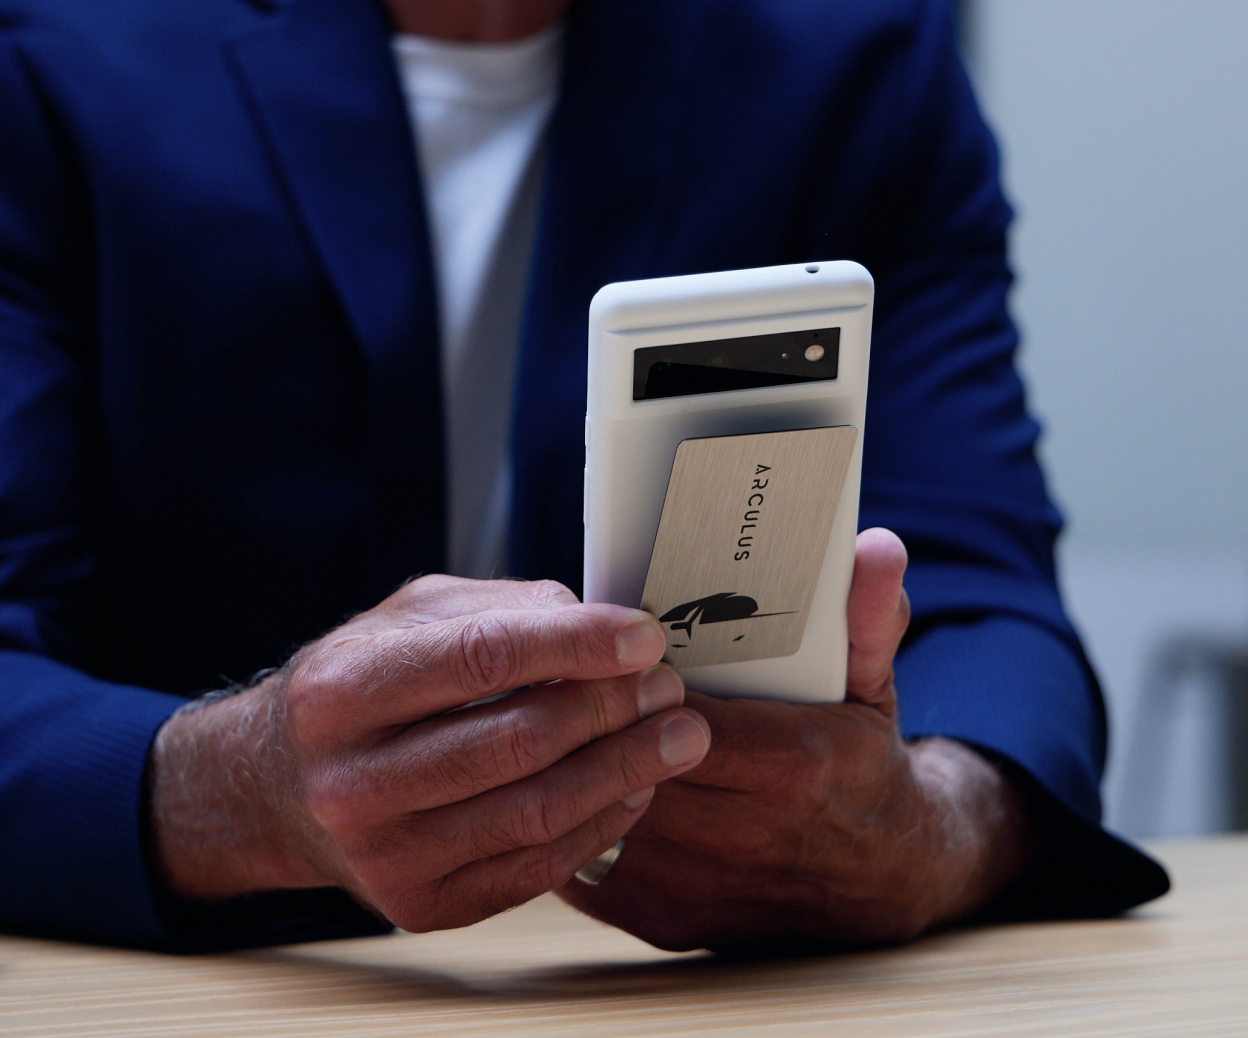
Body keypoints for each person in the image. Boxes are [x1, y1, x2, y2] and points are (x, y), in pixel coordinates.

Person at [0, 0, 1167, 952]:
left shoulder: (857, 55)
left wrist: (928, 828)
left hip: (694, 992)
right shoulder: (50, 51)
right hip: (225, 984)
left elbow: (988, 598)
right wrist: (239, 792)